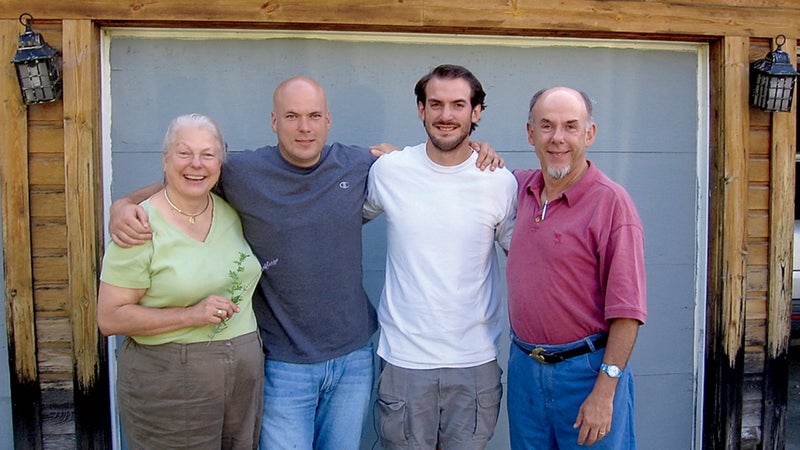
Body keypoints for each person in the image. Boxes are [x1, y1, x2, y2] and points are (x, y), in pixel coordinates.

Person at [107, 76, 502, 450]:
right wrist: (124, 204)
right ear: (274, 121)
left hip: (352, 357)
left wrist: (479, 151)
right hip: (283, 363)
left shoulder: (359, 164)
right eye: (292, 117)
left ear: (328, 121)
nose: (304, 128)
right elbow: (185, 181)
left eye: (314, 116)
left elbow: (431, 163)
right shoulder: (243, 173)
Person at [363, 64, 517, 449]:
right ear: (421, 109)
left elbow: (525, 257)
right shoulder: (390, 171)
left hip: (474, 364)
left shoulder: (499, 182)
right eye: (436, 104)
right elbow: (339, 215)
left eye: (458, 105)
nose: (446, 115)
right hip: (405, 363)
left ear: (476, 112)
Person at [97, 113, 264, 449]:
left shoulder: (230, 209)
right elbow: (109, 318)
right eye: (184, 153)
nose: (196, 164)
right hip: (170, 380)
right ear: (165, 159)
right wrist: (189, 315)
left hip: (242, 380)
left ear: (221, 162)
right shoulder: (140, 225)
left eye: (208, 154)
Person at [505, 86, 647, 449]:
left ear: (589, 134)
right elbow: (461, 168)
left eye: (570, 126)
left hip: (586, 373)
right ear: (530, 133)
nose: (558, 138)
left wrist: (605, 390)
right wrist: (405, 157)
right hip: (525, 371)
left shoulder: (611, 204)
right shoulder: (519, 188)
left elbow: (628, 312)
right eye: (547, 126)